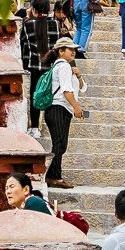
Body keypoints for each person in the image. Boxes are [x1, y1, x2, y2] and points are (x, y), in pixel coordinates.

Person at [43, 37, 86, 189]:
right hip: (59, 108)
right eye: (70, 49)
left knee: (60, 144)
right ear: (61, 51)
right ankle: (54, 177)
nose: (73, 52)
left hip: (58, 109)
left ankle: (52, 176)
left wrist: (79, 76)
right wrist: (77, 107)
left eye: (74, 49)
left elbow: (82, 87)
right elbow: (67, 91)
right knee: (59, 144)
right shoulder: (63, 67)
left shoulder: (64, 66)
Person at [18, 0, 62, 132]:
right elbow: (57, 46)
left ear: (34, 9)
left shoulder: (28, 24)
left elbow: (22, 44)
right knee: (50, 94)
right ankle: (50, 127)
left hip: (34, 66)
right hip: (51, 67)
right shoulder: (55, 24)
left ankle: (35, 128)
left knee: (34, 94)